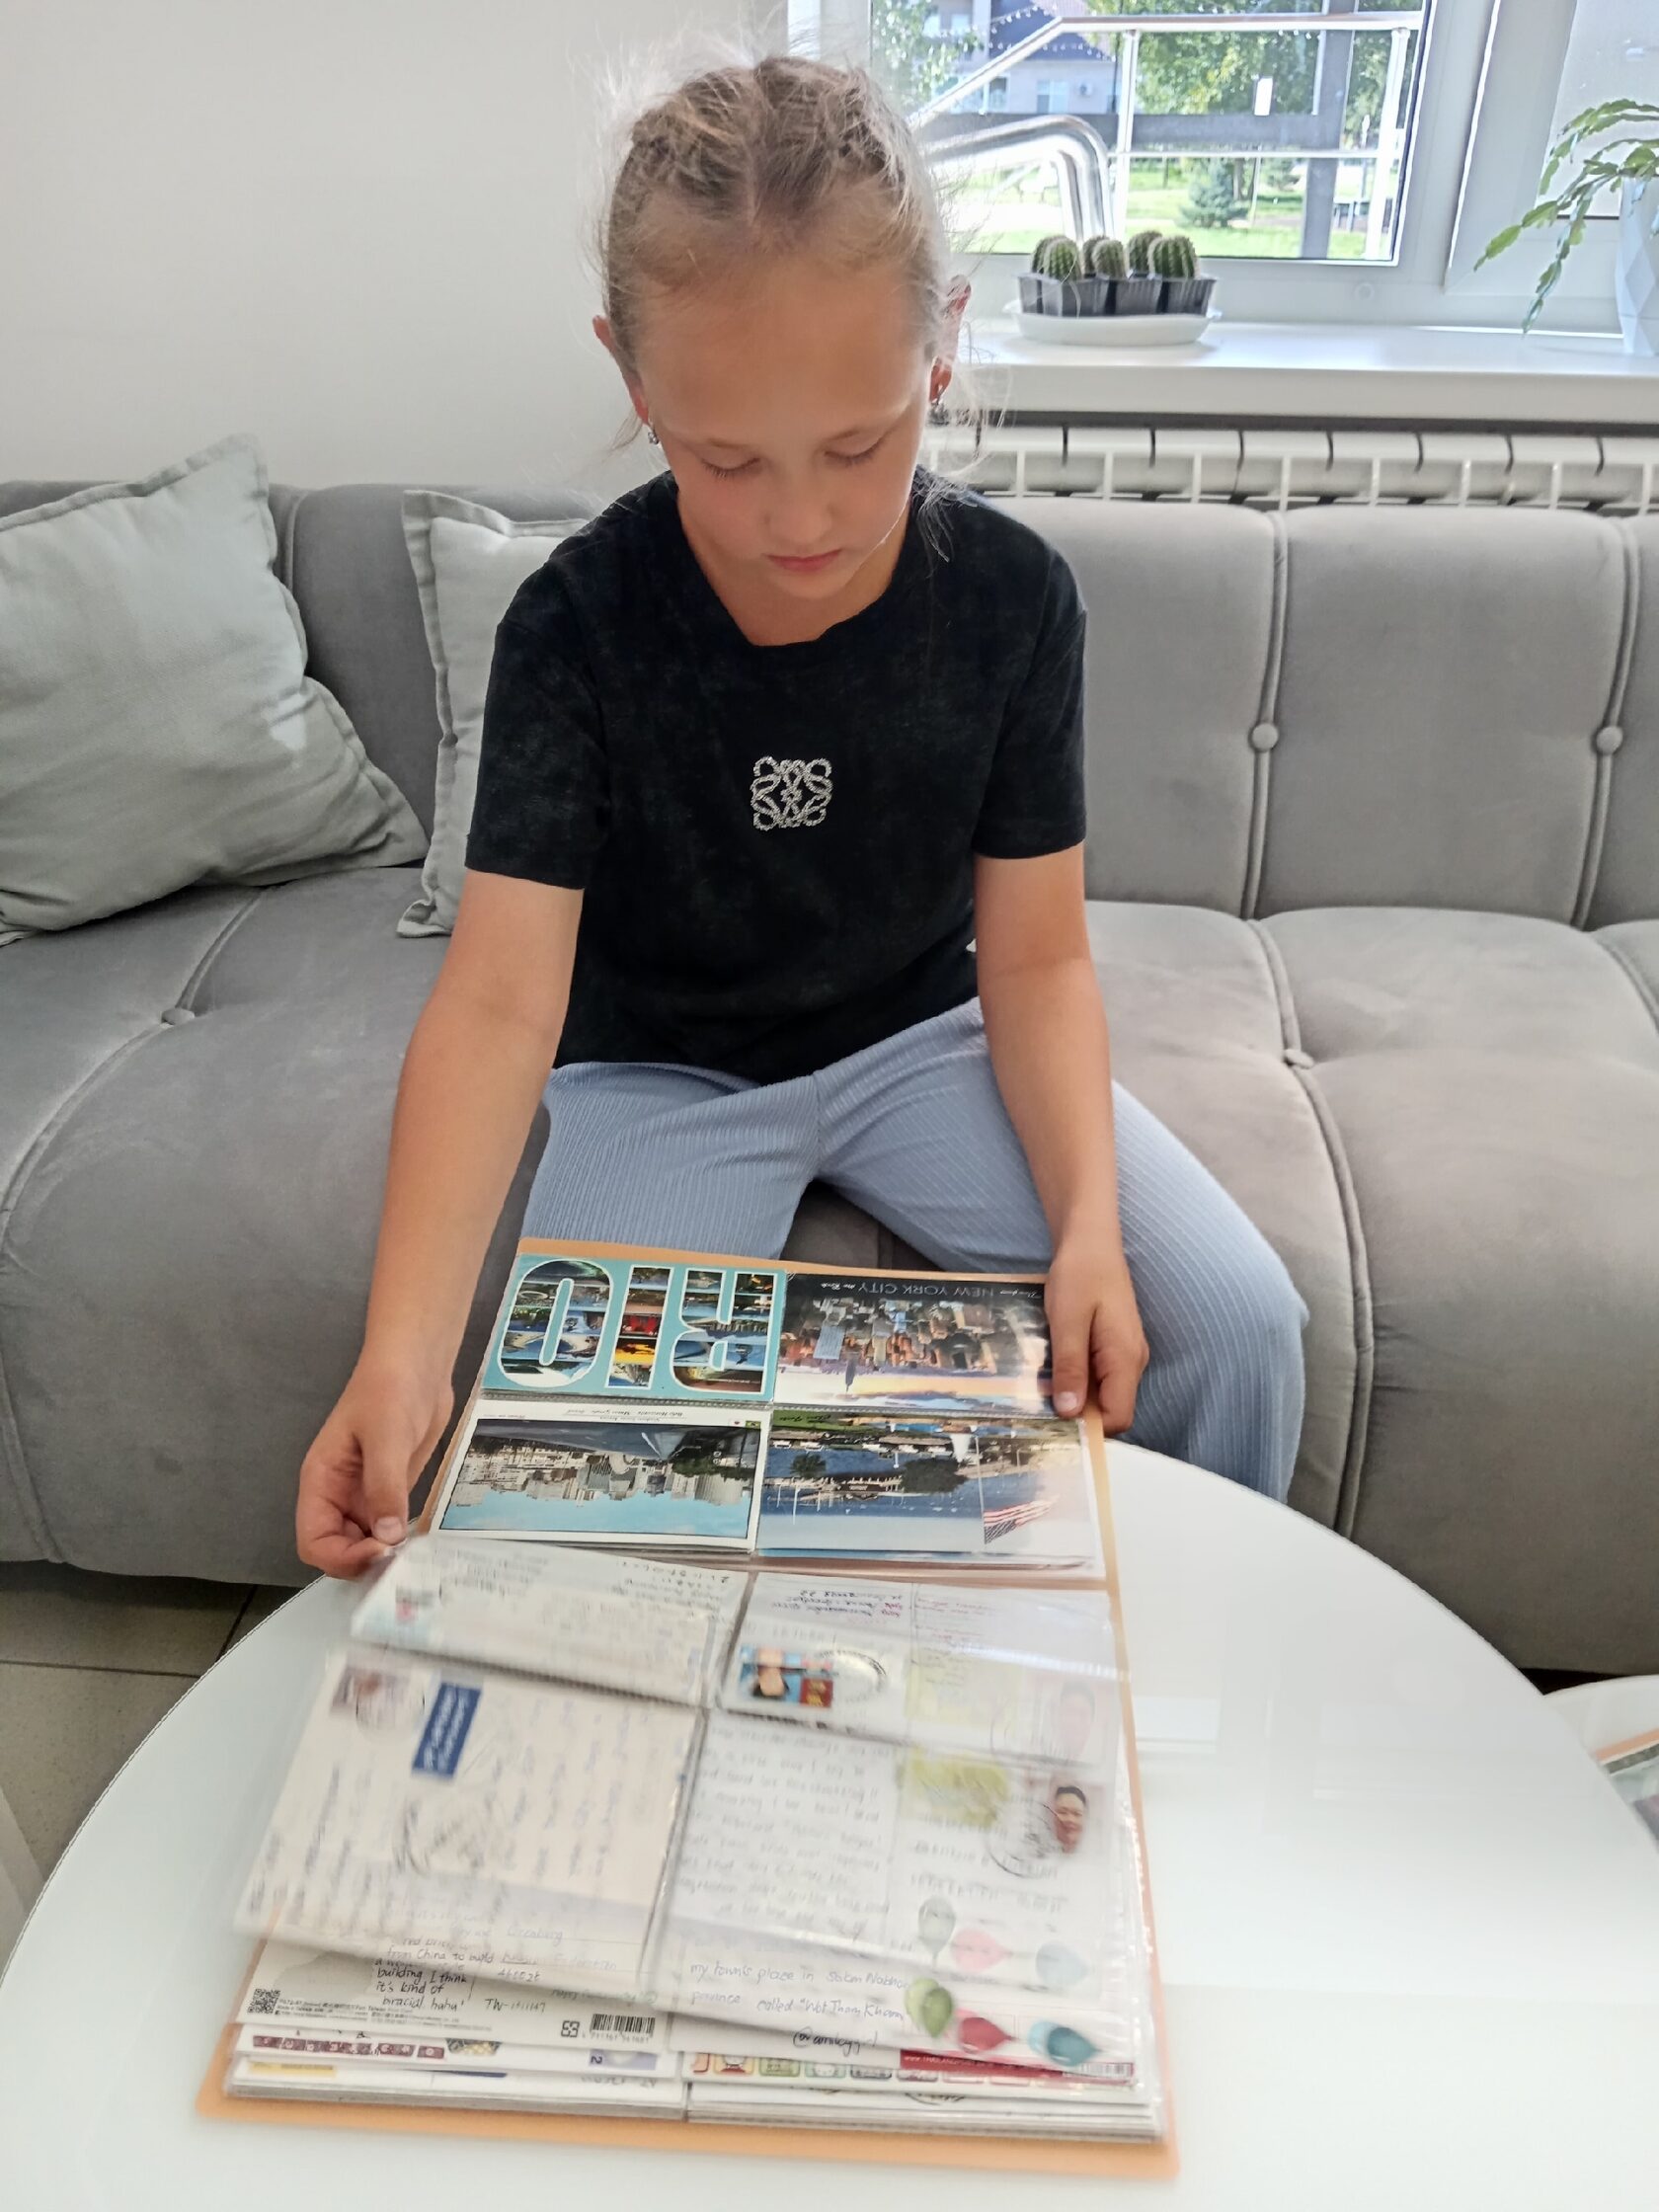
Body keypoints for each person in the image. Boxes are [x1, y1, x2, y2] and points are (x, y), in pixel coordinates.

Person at [293, 52, 1309, 1577]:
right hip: (661, 1074)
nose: (801, 520)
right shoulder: (576, 625)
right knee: (575, 1456)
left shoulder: (1014, 600)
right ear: (634, 383)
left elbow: (1037, 960)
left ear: (942, 347)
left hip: (925, 1039)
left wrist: (1088, 1225)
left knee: (1237, 1327)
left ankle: (1181, 1651)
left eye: (858, 444)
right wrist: (401, 1354)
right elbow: (500, 1001)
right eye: (725, 459)